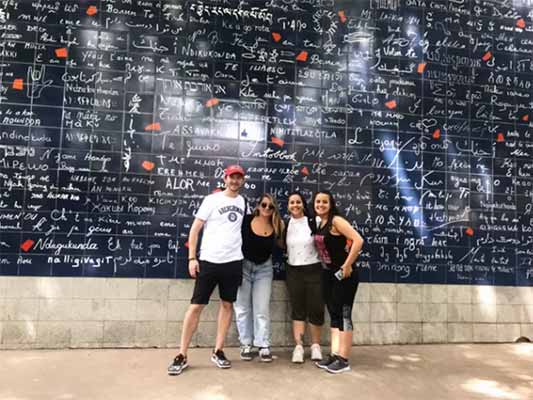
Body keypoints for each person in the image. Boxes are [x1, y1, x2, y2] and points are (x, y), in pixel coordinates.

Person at [167, 165, 247, 376]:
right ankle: (182, 354)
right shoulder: (212, 200)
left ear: (243, 180)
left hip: (233, 262)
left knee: (227, 305)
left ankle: (218, 350)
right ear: (225, 178)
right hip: (209, 261)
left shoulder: (243, 202)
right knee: (196, 306)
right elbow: (195, 229)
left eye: (239, 178)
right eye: (232, 177)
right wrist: (192, 258)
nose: (235, 181)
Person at [312, 190, 364, 374]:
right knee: (334, 314)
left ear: (331, 203)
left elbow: (358, 240)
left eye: (324, 202)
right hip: (329, 274)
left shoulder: (336, 221)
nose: (320, 205)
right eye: (318, 202)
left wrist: (347, 266)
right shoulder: (321, 223)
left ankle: (344, 359)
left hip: (344, 274)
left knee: (344, 314)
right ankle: (335, 355)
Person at [233, 194, 284, 362]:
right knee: (242, 307)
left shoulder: (277, 225)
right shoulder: (246, 220)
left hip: (264, 269)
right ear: (258, 205)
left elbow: (284, 245)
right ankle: (246, 344)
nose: (267, 209)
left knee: (261, 308)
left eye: (271, 206)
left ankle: (263, 344)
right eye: (264, 205)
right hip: (243, 267)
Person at [283, 191, 325, 363]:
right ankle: (299, 346)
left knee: (316, 308)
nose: (295, 205)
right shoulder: (285, 224)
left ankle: (315, 346)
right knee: (298, 308)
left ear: (303, 204)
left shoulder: (313, 221)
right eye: (292, 202)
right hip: (293, 270)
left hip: (314, 269)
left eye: (298, 202)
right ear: (288, 206)